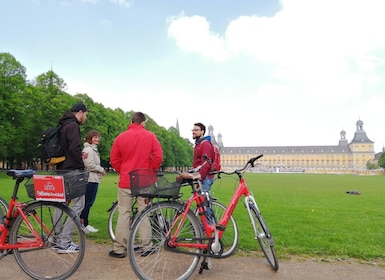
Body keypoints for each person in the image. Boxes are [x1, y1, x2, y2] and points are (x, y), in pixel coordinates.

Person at [109, 112, 163, 258]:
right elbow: (158, 156)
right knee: (143, 212)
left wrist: (124, 171)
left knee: (124, 213)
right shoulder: (150, 136)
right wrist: (151, 170)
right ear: (143, 123)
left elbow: (114, 159)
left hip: (126, 180)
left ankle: (119, 248)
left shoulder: (121, 137)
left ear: (131, 121)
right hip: (144, 180)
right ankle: (146, 246)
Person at [55, 102, 88, 253]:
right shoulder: (73, 126)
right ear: (80, 112)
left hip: (61, 169)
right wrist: (81, 167)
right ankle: (65, 241)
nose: (85, 118)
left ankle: (56, 238)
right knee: (79, 203)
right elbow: (74, 148)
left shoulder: (62, 125)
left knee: (59, 205)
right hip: (72, 170)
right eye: (85, 115)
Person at [80, 130, 105, 233]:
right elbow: (89, 165)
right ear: (90, 138)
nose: (97, 139)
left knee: (88, 203)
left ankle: (84, 223)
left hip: (93, 179)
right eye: (95, 137)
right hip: (90, 180)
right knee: (87, 203)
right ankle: (83, 224)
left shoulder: (93, 150)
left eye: (98, 137)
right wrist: (101, 169)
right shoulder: (89, 150)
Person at [192, 122, 215, 224]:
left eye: (196, 130)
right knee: (203, 202)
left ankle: (210, 227)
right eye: (193, 130)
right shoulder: (199, 144)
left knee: (204, 203)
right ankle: (209, 225)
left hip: (205, 177)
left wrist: (201, 176)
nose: (193, 131)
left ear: (202, 132)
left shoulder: (205, 144)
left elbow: (207, 162)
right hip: (202, 177)